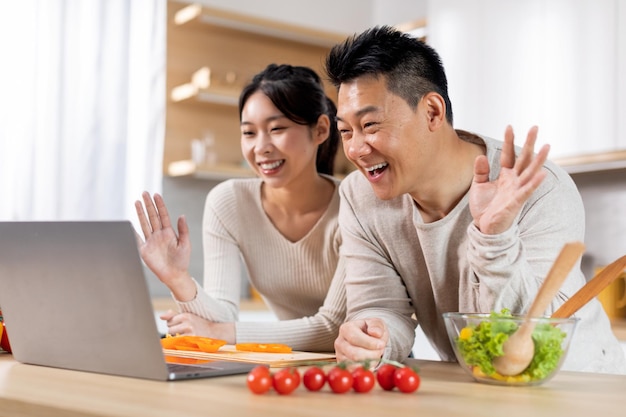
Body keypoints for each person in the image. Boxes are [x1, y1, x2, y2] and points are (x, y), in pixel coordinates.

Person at [324, 26, 626, 373]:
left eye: (371, 125)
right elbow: (382, 306)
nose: (355, 149)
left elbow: (527, 335)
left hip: (577, 383)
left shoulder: (538, 187)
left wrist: (495, 238)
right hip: (479, 383)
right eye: (346, 131)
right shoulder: (360, 197)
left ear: (432, 112)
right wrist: (372, 335)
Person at [135, 63, 345, 352]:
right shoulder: (229, 202)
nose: (261, 147)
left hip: (373, 366)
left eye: (277, 129)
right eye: (249, 133)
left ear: (320, 130)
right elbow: (224, 315)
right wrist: (177, 278)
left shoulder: (352, 206)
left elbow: (334, 328)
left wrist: (220, 332)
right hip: (298, 362)